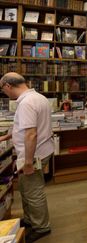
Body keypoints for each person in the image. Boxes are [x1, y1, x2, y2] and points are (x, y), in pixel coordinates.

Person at [0, 73, 53, 242]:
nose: (5, 94)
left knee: (33, 191)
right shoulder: (38, 97)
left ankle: (41, 227)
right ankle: (31, 220)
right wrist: (7, 137)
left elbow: (31, 134)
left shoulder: (26, 103)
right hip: (40, 150)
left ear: (8, 86)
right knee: (26, 188)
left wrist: (29, 162)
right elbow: (25, 127)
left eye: (3, 90)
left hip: (33, 155)